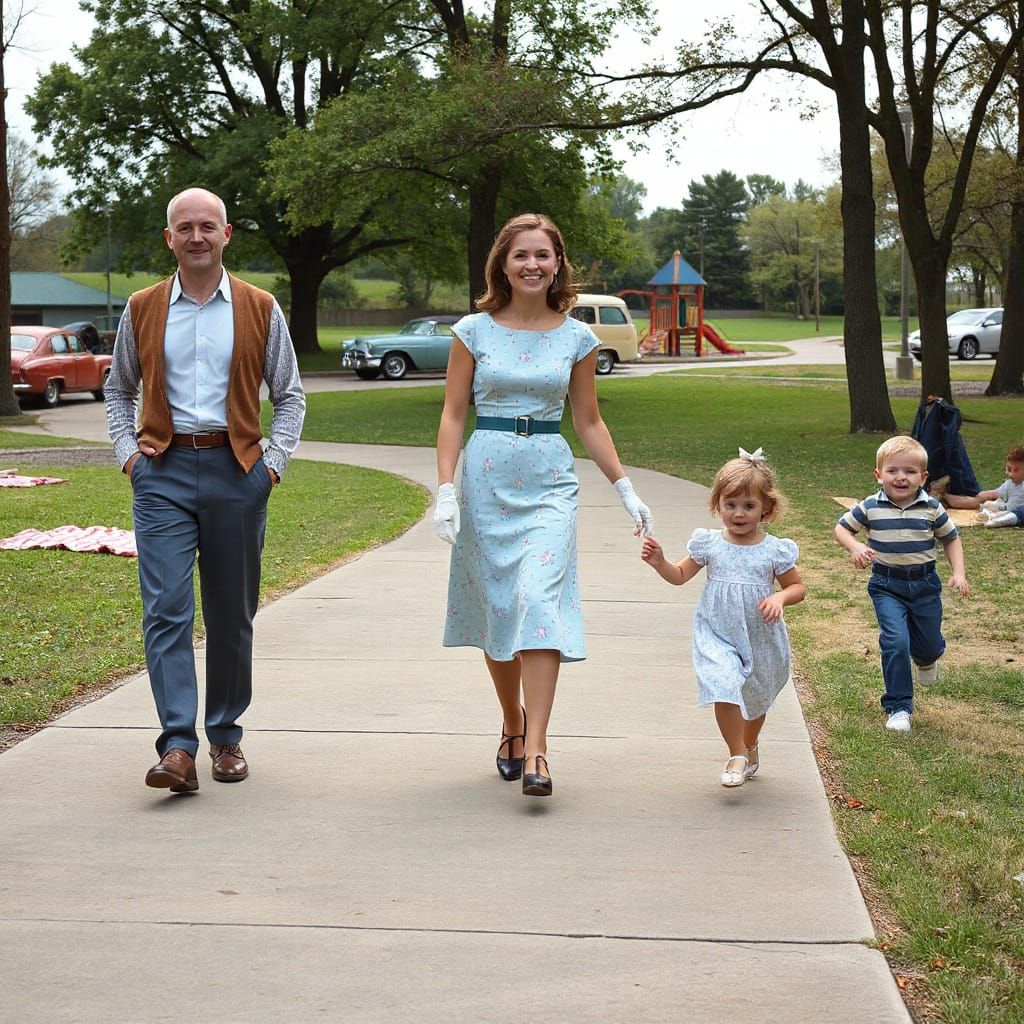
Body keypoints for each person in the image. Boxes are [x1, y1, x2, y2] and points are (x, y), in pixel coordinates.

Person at [434, 212, 653, 798]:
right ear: (502, 264)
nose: (533, 265)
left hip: (550, 484)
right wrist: (445, 488)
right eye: (521, 255)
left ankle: (538, 750)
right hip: (485, 477)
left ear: (558, 264)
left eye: (543, 255)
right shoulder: (472, 332)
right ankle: (512, 722)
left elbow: (588, 419)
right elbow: (454, 414)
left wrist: (624, 486)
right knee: (497, 608)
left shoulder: (577, 337)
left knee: (536, 600)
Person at [105, 187, 306, 793]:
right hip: (161, 472)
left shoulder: (259, 307)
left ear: (226, 234)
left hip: (236, 470)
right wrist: (128, 459)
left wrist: (271, 466)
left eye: (207, 226)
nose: (197, 236)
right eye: (184, 227)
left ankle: (225, 737)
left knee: (230, 613)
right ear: (169, 238)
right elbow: (117, 390)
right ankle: (177, 748)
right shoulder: (141, 308)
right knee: (166, 609)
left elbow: (289, 393)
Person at [641, 448, 805, 788]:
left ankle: (749, 742)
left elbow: (797, 588)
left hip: (761, 636)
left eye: (749, 506)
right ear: (718, 505)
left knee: (756, 700)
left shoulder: (775, 550)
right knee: (723, 686)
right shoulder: (710, 544)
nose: (739, 513)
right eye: (730, 505)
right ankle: (736, 753)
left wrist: (779, 596)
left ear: (767, 509)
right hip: (717, 633)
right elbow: (679, 576)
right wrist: (660, 562)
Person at [834, 436, 969, 734]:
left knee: (929, 645)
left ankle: (927, 659)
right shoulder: (870, 506)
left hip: (924, 585)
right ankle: (899, 707)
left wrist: (958, 573)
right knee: (895, 642)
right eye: (893, 470)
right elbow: (842, 528)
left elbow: (951, 538)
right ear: (879, 474)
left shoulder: (932, 508)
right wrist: (855, 547)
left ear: (923, 477)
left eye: (909, 472)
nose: (901, 477)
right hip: (886, 585)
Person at [961, 443, 1024, 529]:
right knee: (987, 504)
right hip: (1006, 508)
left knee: (1016, 513)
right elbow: (998, 494)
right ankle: (946, 497)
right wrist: (985, 496)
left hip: (1014, 512)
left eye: (1014, 470)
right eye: (1008, 469)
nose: (1009, 473)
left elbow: (1011, 508)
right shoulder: (1010, 483)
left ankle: (997, 520)